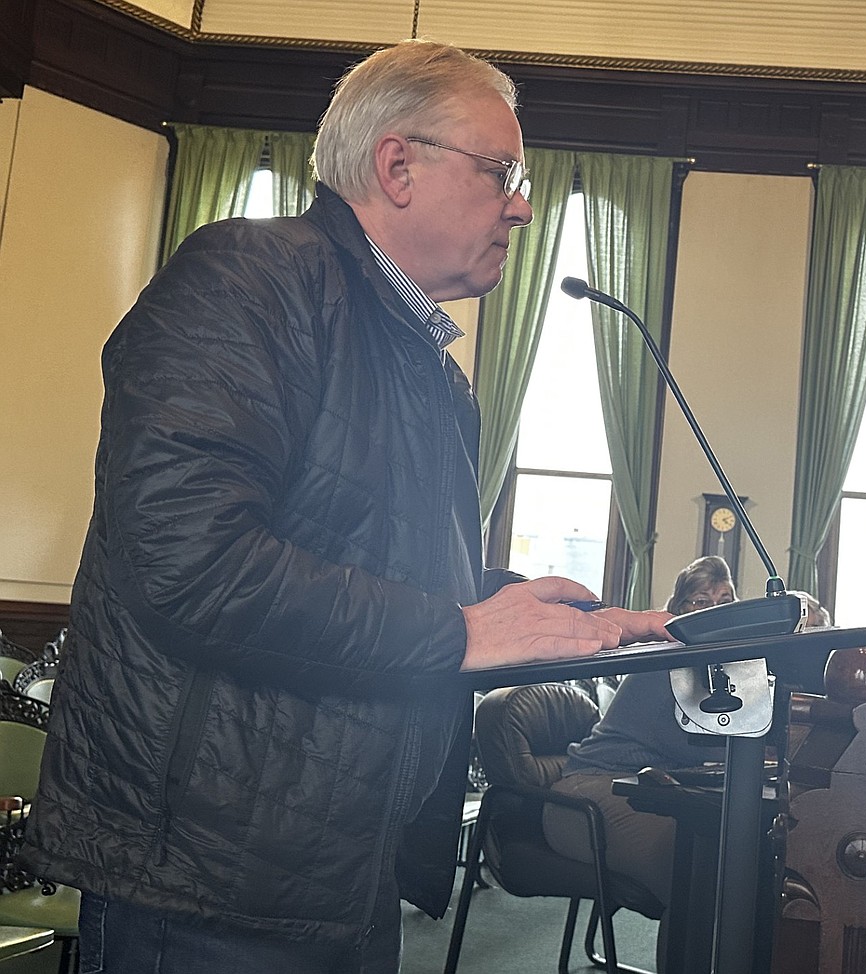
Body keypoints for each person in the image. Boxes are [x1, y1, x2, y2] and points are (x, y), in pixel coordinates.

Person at [20, 40, 670, 974]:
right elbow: (189, 561)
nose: (521, 205)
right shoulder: (248, 279)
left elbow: (384, 573)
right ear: (397, 166)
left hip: (345, 866)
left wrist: (543, 620)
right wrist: (460, 630)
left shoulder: (436, 377)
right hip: (211, 877)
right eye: (502, 173)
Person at [543, 555, 829, 969]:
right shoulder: (665, 660)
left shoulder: (715, 668)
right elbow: (696, 744)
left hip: (643, 786)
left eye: (725, 599)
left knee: (742, 853)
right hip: (585, 793)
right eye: (700, 600)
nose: (714, 607)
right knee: (701, 864)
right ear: (676, 611)